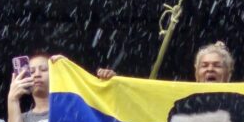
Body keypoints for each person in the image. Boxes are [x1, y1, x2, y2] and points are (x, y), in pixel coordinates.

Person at [96, 41, 235, 83]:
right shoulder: (181, 99)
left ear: (228, 73)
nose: (210, 69)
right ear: (196, 72)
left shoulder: (242, 101)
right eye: (204, 65)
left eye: (217, 65)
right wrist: (114, 83)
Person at [7, 52, 51, 122]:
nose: (37, 74)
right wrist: (12, 99)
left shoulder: (67, 111)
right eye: (31, 72)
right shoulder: (22, 119)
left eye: (43, 69)